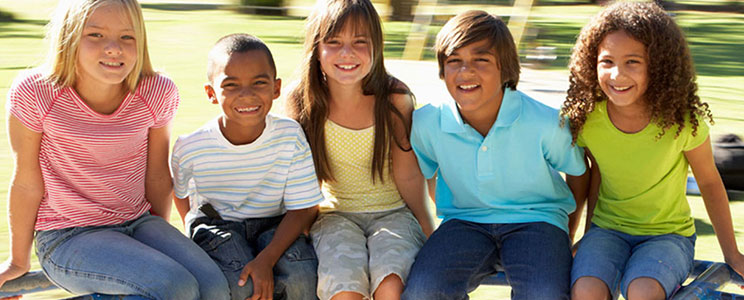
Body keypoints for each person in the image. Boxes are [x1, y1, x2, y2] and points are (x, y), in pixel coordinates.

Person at [0, 0, 229, 299]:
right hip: (67, 236)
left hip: (138, 223)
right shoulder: (36, 93)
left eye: (127, 36)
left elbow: (158, 175)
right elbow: (27, 182)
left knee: (214, 286)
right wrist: (18, 261)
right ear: (69, 39)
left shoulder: (155, 92)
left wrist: (160, 241)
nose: (114, 48)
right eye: (95, 35)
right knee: (174, 286)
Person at [401, 10, 589, 300]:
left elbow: (578, 171)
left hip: (538, 221)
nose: (466, 72)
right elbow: (428, 173)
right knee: (424, 290)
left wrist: (568, 228)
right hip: (464, 223)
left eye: (481, 60)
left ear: (506, 69)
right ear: (442, 71)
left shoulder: (545, 122)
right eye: (454, 61)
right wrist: (451, 210)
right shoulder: (427, 123)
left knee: (544, 294)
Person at [562, 2, 744, 299]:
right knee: (585, 290)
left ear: (658, 65)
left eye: (632, 61)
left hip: (668, 236)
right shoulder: (586, 119)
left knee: (643, 290)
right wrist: (572, 239)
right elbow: (587, 177)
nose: (617, 74)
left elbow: (710, 183)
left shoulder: (683, 123)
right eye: (606, 61)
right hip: (607, 232)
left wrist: (732, 254)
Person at [285, 0, 434, 298]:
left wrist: (427, 228)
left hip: (393, 213)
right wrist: (298, 226)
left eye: (359, 42)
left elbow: (407, 175)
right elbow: (301, 176)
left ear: (376, 46)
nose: (347, 53)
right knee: (344, 289)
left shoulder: (394, 99)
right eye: (334, 42)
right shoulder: (302, 100)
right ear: (316, 47)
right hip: (334, 216)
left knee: (391, 287)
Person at [171, 33, 323, 300]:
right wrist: (191, 226)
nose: (247, 94)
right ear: (211, 94)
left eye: (259, 83)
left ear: (276, 89)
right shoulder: (191, 146)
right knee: (241, 285)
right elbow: (181, 194)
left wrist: (267, 259)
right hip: (218, 225)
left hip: (276, 223)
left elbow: (304, 208)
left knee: (302, 279)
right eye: (231, 85)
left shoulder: (289, 136)